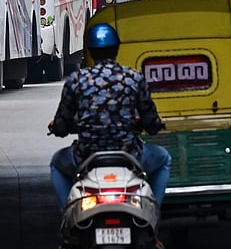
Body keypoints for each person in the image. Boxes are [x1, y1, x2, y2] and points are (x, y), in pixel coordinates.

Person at [48, 23, 171, 213]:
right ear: (117, 49)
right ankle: (152, 212)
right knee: (163, 158)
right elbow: (150, 120)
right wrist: (156, 125)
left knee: (57, 161)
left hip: (86, 156)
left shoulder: (76, 80)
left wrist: (58, 127)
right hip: (130, 155)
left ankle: (68, 214)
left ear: (89, 51)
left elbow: (62, 124)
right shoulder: (133, 78)